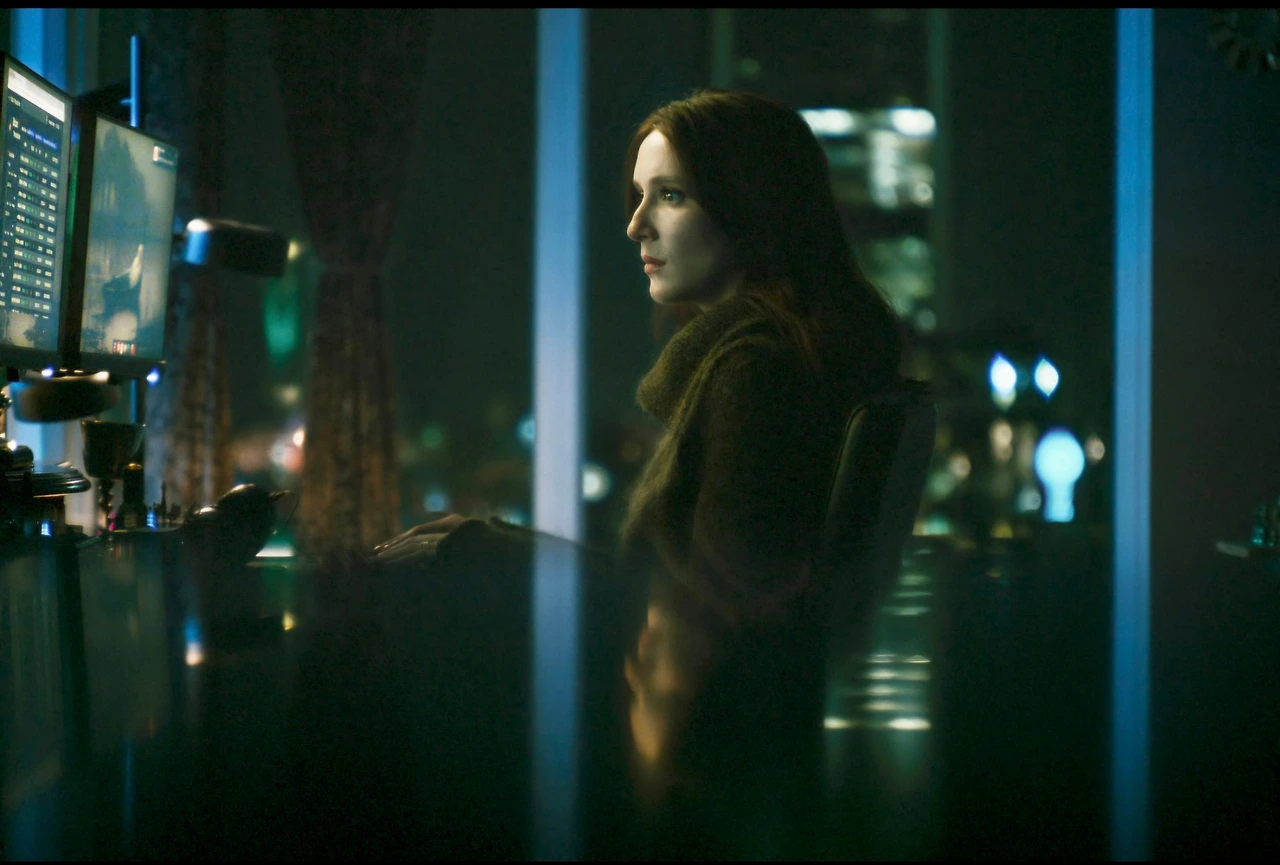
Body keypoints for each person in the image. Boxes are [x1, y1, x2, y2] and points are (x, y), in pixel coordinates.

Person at [375, 88, 905, 630]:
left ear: (751, 205)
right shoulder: (795, 353)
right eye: (639, 195)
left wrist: (495, 551)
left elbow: (714, 609)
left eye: (671, 195)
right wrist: (500, 542)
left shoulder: (758, 370)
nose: (636, 225)